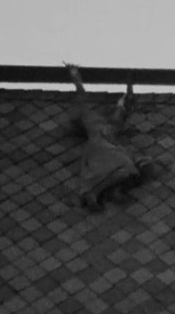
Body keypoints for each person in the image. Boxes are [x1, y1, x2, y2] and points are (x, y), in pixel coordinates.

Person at [65, 63, 154, 210]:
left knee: (132, 167)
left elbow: (122, 106)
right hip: (103, 150)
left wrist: (128, 86)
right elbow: (82, 95)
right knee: (128, 168)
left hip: (108, 150)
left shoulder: (109, 126)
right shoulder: (93, 122)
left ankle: (110, 191)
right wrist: (75, 75)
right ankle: (98, 192)